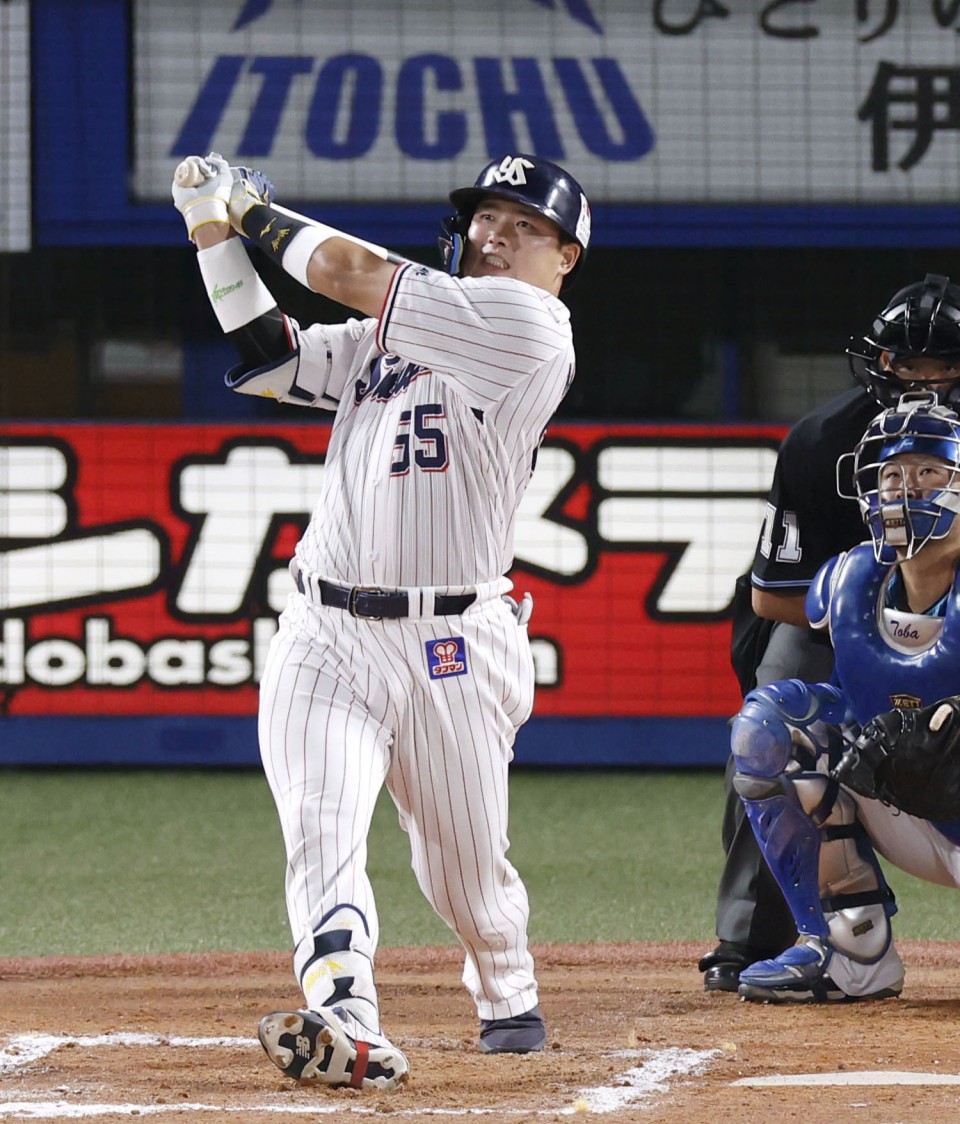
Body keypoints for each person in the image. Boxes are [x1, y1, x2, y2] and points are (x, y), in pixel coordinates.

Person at [171, 151, 590, 1089]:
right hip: (326, 628)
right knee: (322, 823)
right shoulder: (395, 335)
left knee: (467, 873)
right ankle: (345, 1014)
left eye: (527, 226)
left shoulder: (532, 327)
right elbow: (271, 354)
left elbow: (346, 273)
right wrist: (211, 234)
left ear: (566, 258)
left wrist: (250, 209)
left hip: (452, 644)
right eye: (488, 216)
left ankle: (505, 984)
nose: (497, 234)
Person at [699, 274, 960, 992]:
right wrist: (879, 663)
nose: (924, 385)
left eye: (943, 370)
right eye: (907, 368)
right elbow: (773, 596)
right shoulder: (822, 442)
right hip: (855, 622)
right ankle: (815, 940)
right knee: (772, 718)